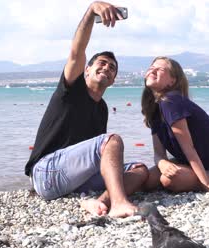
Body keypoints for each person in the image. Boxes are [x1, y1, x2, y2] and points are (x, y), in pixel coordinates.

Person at [25, 1, 149, 218]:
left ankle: (97, 203)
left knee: (139, 169)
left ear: (113, 80)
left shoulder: (102, 109)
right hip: (46, 173)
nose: (106, 68)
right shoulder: (71, 89)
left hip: (75, 179)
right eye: (101, 63)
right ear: (87, 70)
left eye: (112, 68)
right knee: (112, 140)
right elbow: (76, 51)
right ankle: (119, 203)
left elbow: (99, 159)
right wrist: (92, 12)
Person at [141, 56, 209, 195]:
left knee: (168, 179)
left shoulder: (171, 101)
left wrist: (208, 185)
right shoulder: (154, 109)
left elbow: (189, 148)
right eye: (151, 68)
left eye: (160, 69)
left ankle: (198, 180)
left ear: (172, 81)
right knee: (147, 180)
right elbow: (158, 154)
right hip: (186, 164)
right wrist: (163, 163)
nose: (153, 70)